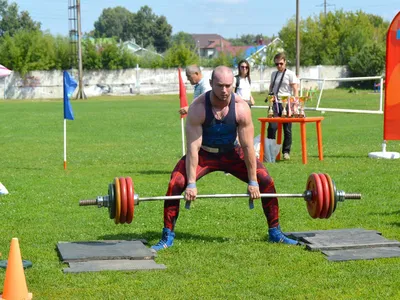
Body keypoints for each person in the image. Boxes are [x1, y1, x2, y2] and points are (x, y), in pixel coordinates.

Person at [151, 66, 298, 251]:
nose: (224, 90)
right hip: (204, 154)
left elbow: (247, 147)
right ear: (211, 83)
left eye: (228, 86)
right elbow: (193, 148)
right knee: (176, 183)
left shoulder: (241, 108)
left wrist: (253, 181)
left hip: (232, 153)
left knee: (265, 181)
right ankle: (167, 236)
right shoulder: (198, 108)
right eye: (220, 85)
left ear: (233, 85)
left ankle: (275, 232)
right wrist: (191, 183)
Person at [267, 53, 299, 161]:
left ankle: (286, 152)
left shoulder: (290, 74)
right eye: (276, 64)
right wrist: (270, 99)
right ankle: (270, 150)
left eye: (281, 63)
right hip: (275, 103)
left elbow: (295, 89)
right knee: (272, 127)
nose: (279, 66)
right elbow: (271, 87)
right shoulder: (274, 74)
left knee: (287, 129)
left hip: (287, 103)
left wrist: (295, 104)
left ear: (285, 62)